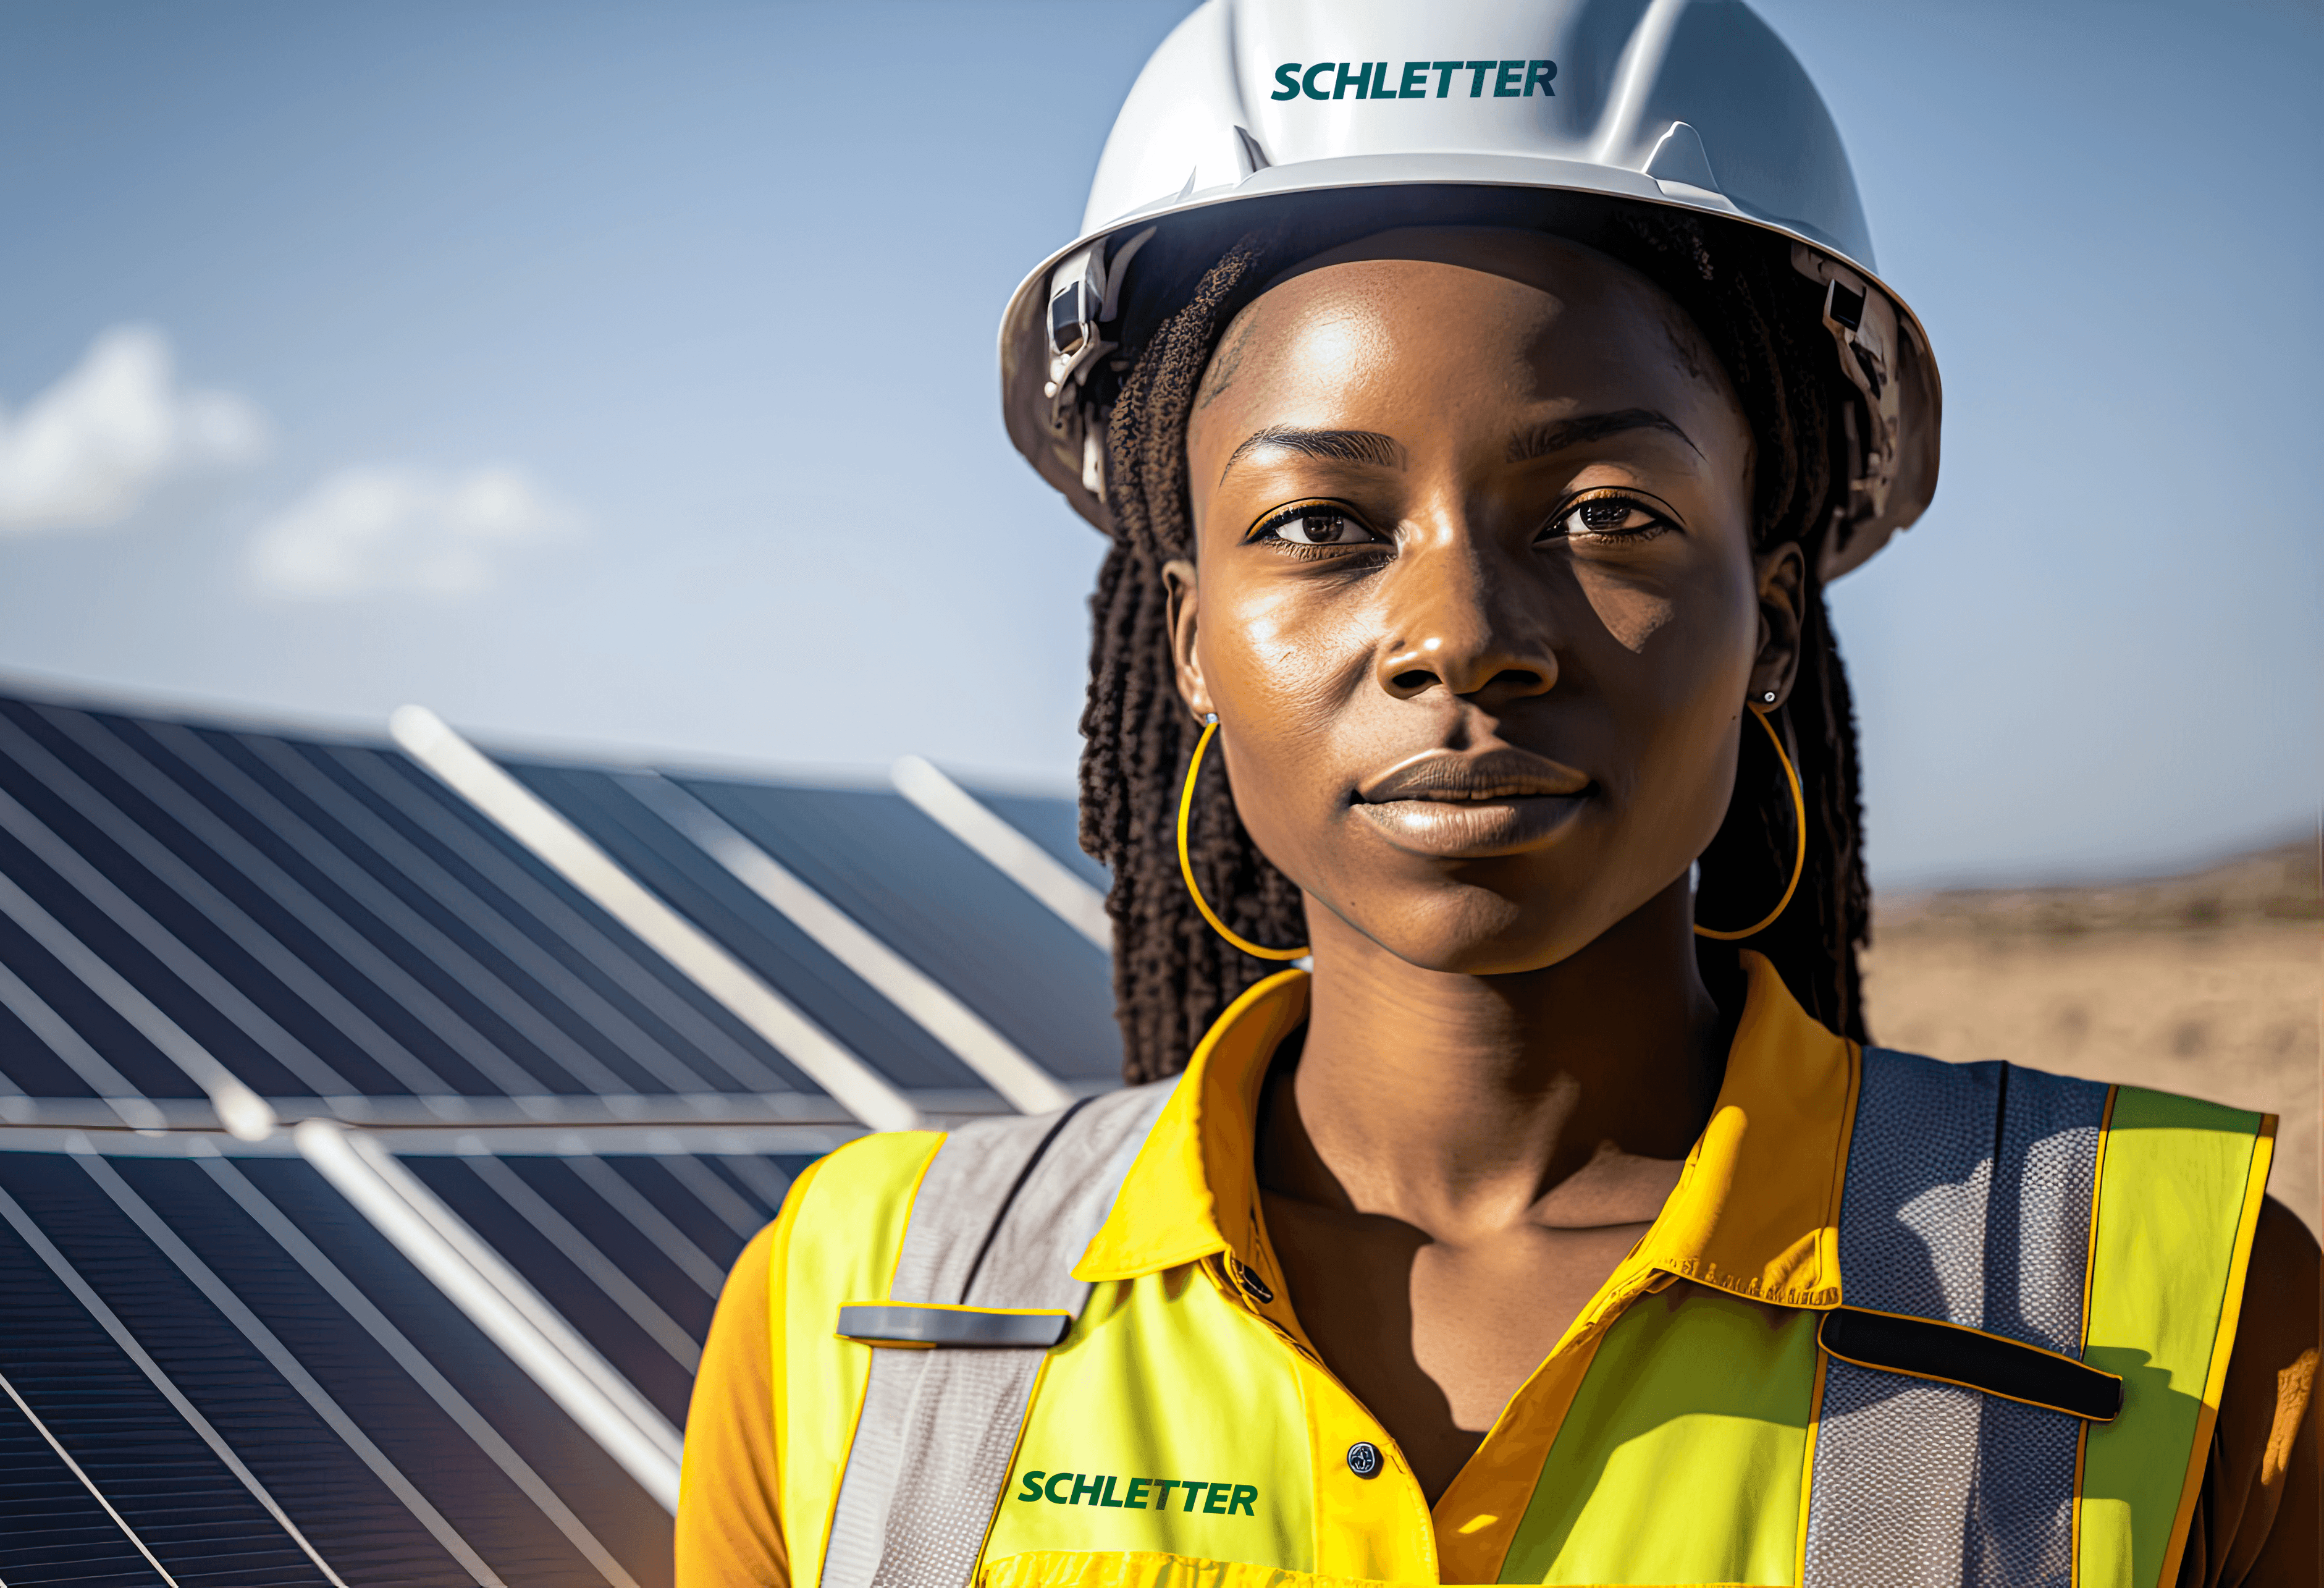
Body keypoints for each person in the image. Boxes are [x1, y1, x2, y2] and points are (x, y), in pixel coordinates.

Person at [676, 2, 2318, 1584]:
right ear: (1187, 643)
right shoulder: (860, 1311)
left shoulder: (2202, 1313)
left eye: (1606, 513)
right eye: (1323, 526)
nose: (1461, 636)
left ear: (1777, 618)